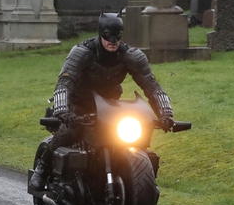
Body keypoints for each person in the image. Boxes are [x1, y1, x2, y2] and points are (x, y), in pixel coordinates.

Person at [30, 11, 176, 191]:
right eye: (108, 36)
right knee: (68, 133)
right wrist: (62, 111)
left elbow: (151, 85)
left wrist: (165, 113)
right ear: (100, 33)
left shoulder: (131, 56)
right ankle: (42, 169)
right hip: (78, 105)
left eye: (117, 37)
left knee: (127, 139)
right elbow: (65, 82)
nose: (113, 41)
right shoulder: (82, 52)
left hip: (109, 107)